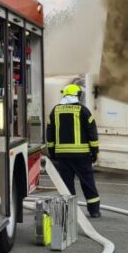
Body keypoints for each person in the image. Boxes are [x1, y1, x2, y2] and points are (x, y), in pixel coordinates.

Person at [46, 84, 101, 217]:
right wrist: (95, 151)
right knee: (87, 182)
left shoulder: (55, 111)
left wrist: (52, 151)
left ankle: (68, 212)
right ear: (77, 95)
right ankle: (94, 211)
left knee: (66, 185)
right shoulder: (83, 111)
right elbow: (92, 132)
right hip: (81, 155)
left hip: (62, 156)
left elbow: (50, 133)